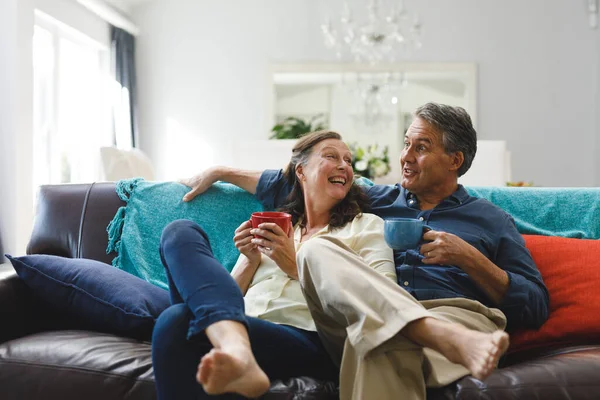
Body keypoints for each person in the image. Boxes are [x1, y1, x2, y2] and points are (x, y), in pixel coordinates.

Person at [180, 103, 549, 400]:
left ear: (455, 160)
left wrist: (470, 258)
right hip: (368, 316)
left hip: (452, 314)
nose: (406, 157)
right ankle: (432, 334)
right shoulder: (377, 199)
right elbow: (299, 181)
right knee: (318, 249)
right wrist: (219, 171)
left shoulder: (490, 219)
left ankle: (439, 333)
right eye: (406, 144)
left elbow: (534, 304)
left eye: (421, 147)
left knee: (379, 343)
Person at [152, 130, 398, 399]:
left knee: (176, 321)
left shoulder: (367, 227)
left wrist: (296, 267)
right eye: (331, 156)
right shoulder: (276, 226)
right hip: (242, 323)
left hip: (311, 338)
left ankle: (237, 350)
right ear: (301, 171)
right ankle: (236, 348)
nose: (344, 165)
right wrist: (249, 260)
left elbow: (384, 303)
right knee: (179, 232)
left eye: (348, 161)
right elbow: (222, 298)